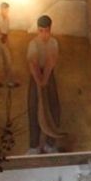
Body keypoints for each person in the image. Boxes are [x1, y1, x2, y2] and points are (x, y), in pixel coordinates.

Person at [26, 14, 63, 154]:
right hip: (35, 77)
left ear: (50, 30)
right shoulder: (33, 43)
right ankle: (34, 146)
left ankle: (50, 144)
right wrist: (39, 82)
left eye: (46, 31)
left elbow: (50, 62)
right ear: (37, 30)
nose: (44, 34)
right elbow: (33, 64)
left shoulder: (53, 42)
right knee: (33, 108)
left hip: (48, 76)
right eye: (41, 31)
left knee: (53, 108)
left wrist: (45, 81)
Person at [0, 1, 17, 87]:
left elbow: (7, 31)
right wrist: (0, 36)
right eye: (5, 9)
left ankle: (10, 81)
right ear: (1, 9)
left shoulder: (7, 18)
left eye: (7, 9)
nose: (6, 11)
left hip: (4, 41)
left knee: (8, 60)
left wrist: (6, 40)